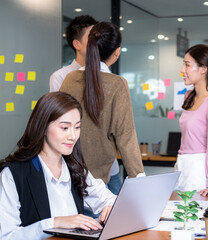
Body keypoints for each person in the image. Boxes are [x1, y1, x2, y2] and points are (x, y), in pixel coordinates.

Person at [0, 92, 116, 240]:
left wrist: (112, 208)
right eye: (64, 128)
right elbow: (6, 236)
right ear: (43, 126)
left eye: (77, 127)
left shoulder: (75, 168)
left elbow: (109, 200)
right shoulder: (13, 174)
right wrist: (55, 223)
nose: (73, 136)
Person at [60, 21, 145, 186]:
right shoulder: (117, 84)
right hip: (99, 180)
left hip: (69, 174)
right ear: (117, 52)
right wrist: (140, 180)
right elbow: (125, 136)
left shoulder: (69, 79)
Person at [175, 44, 208, 197]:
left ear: (203, 69)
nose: (182, 70)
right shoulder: (188, 96)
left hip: (199, 171)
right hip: (182, 166)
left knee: (193, 218)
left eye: (187, 65)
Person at [50, 15, 97, 92]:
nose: (97, 42)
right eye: (91, 38)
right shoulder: (60, 77)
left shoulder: (105, 73)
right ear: (77, 44)